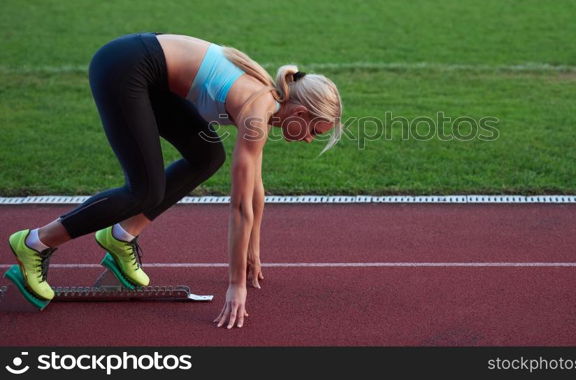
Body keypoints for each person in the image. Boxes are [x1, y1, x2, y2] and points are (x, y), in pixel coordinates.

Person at [7, 32, 342, 328]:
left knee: (207, 156)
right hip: (125, 68)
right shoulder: (257, 110)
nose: (310, 139)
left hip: (149, 76)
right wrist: (235, 284)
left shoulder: (267, 103)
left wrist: (253, 252)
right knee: (144, 190)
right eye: (314, 131)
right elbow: (240, 207)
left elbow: (256, 191)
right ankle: (35, 242)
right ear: (299, 114)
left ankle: (121, 236)